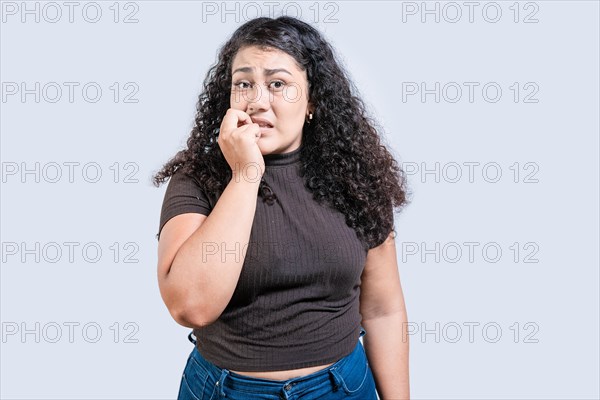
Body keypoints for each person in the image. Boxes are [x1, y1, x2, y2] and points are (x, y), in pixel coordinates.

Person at [152, 15, 411, 400]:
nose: (257, 101)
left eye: (278, 84)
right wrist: (245, 174)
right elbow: (191, 307)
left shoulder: (357, 177)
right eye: (244, 84)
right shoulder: (198, 178)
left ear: (312, 101)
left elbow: (383, 311)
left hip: (342, 388)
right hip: (227, 391)